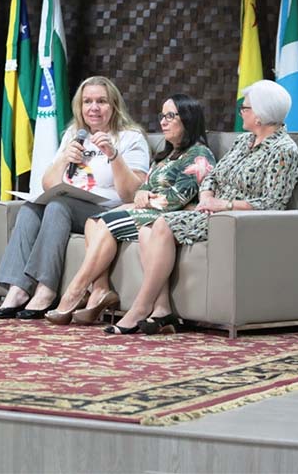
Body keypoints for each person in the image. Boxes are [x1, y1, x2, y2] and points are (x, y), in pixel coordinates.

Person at [105, 79, 298, 335]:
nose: (242, 112)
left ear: (262, 115)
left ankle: (141, 307)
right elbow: (213, 176)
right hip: (212, 210)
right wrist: (208, 196)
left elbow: (273, 203)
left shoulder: (284, 150)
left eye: (247, 108)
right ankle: (163, 309)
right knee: (146, 229)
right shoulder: (244, 142)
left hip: (236, 218)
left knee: (162, 222)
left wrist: (224, 204)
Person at [46, 94, 216, 326]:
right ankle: (105, 291)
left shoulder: (200, 155)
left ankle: (75, 290)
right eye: (162, 116)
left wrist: (145, 200)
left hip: (170, 218)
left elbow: (178, 198)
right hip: (151, 213)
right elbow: (140, 190)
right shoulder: (165, 156)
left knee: (105, 222)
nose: (163, 122)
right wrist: (141, 196)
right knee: (93, 221)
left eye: (170, 116)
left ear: (187, 119)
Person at [0, 76, 150, 320]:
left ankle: (46, 290)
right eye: (87, 102)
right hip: (69, 202)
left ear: (114, 106)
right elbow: (48, 184)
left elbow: (131, 193)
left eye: (101, 101)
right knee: (31, 208)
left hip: (106, 210)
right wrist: (65, 157)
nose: (94, 108)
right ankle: (18, 289)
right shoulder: (74, 134)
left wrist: (113, 154)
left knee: (57, 206)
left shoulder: (130, 138)